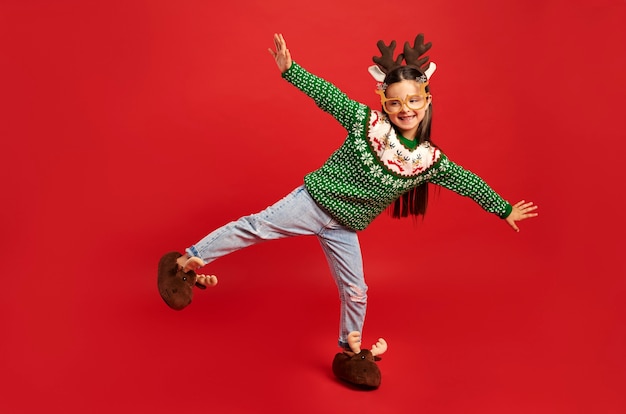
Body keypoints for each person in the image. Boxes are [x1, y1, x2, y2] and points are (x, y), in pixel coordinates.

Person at [157, 33, 538, 388]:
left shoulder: (429, 160)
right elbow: (330, 96)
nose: (404, 109)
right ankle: (185, 263)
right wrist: (292, 71)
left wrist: (502, 208)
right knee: (254, 227)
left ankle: (351, 352)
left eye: (413, 100)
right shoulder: (366, 124)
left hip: (344, 227)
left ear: (427, 100)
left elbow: (466, 180)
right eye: (395, 101)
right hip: (311, 203)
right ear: (384, 103)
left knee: (356, 291)